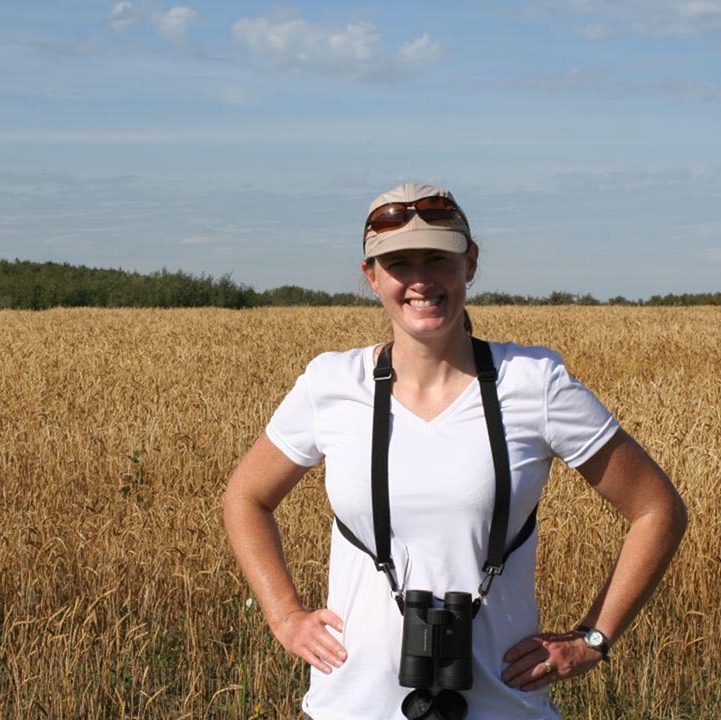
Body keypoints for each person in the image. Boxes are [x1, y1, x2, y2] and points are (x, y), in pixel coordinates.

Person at [222, 183, 687, 720]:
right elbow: (246, 497)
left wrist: (593, 640)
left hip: (502, 706)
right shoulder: (331, 383)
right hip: (351, 705)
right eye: (399, 262)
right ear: (372, 276)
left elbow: (657, 509)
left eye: (438, 259)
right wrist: (284, 615)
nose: (421, 280)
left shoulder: (533, 383)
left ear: (470, 264)